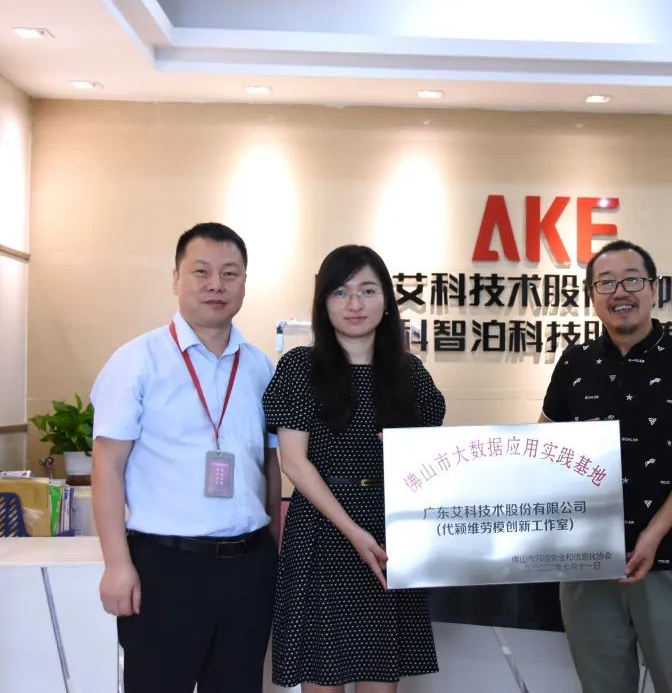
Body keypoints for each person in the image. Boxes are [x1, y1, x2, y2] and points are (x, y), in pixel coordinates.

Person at [91, 222, 280, 693]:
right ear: (176, 278)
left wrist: (274, 550)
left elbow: (269, 465)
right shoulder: (137, 361)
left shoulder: (260, 367)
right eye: (201, 271)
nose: (216, 284)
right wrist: (117, 564)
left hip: (249, 568)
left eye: (230, 273)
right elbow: (107, 466)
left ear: (244, 282)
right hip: (165, 568)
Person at [540, 239, 672, 693]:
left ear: (653, 288)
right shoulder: (575, 362)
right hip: (586, 562)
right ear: (591, 295)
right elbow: (542, 449)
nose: (620, 291)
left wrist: (652, 534)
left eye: (632, 280)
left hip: (670, 557)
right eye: (605, 283)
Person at [264, 244, 444, 693]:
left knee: (380, 677)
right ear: (323, 304)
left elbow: (434, 461)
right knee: (323, 677)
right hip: (322, 532)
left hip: (390, 533)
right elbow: (293, 463)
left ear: (387, 302)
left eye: (368, 290)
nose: (355, 303)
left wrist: (407, 450)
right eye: (341, 292)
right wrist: (353, 531)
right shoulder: (300, 367)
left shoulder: (410, 374)